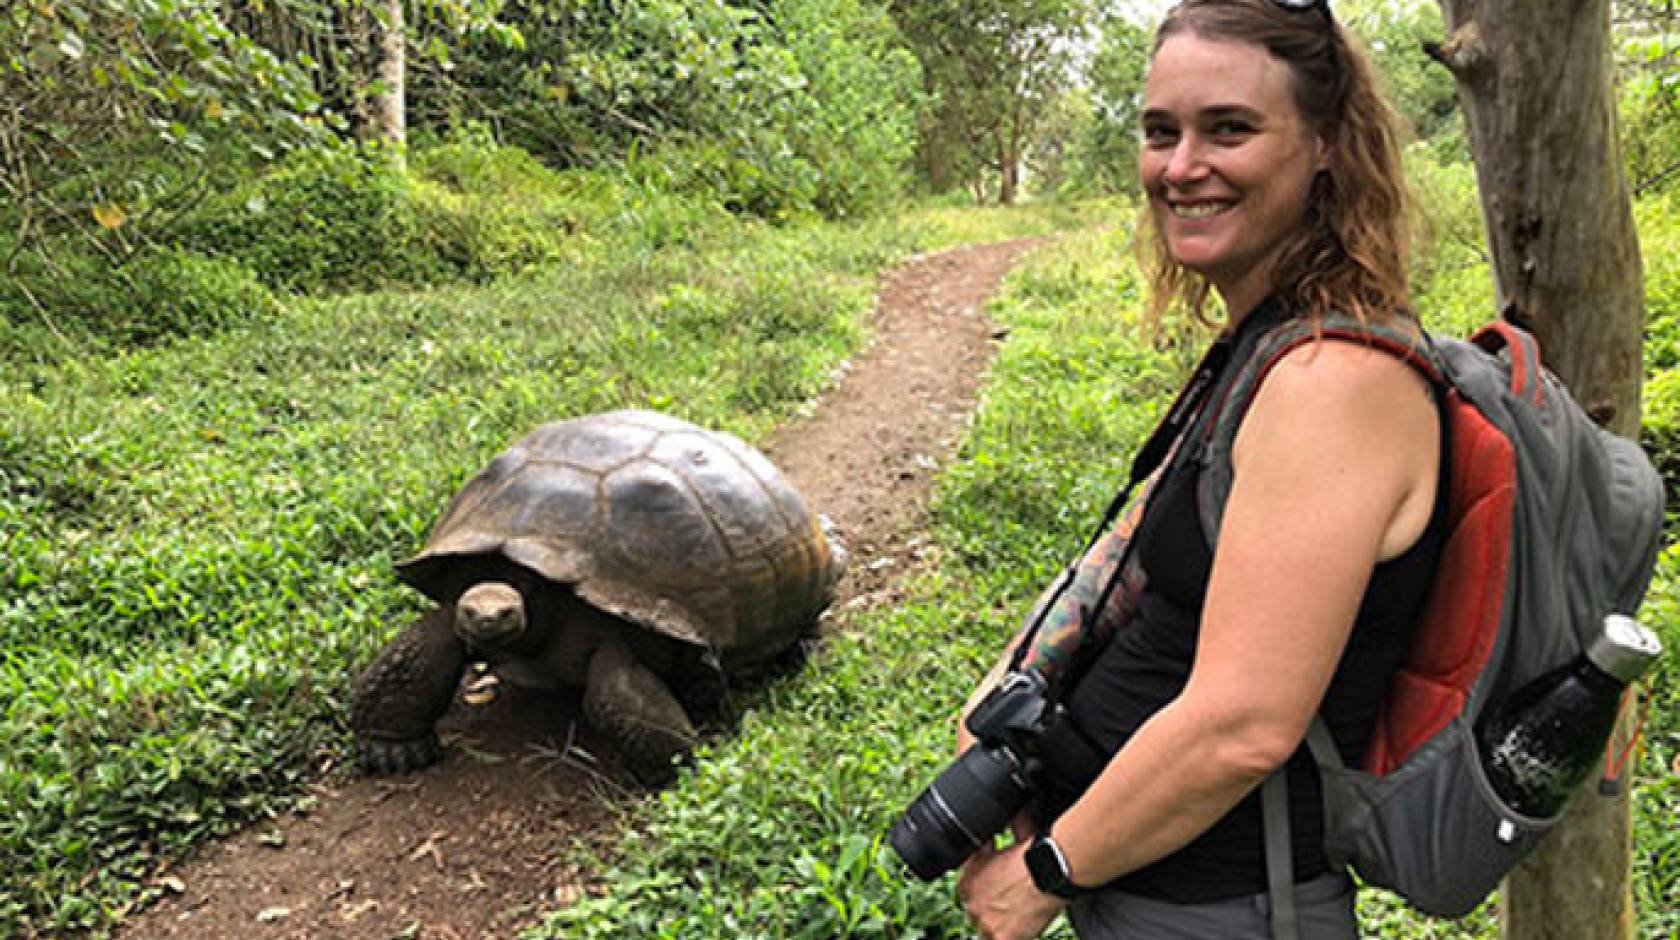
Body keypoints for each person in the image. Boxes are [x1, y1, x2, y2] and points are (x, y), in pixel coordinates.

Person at [953, 1, 1443, 938]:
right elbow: (1148, 555)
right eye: (1160, 132)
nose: (1181, 168)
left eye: (1229, 129)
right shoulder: (1269, 339)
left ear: (1329, 143)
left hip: (1225, 911)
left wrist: (1046, 873)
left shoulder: (1333, 384)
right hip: (1155, 890)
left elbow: (1245, 724)